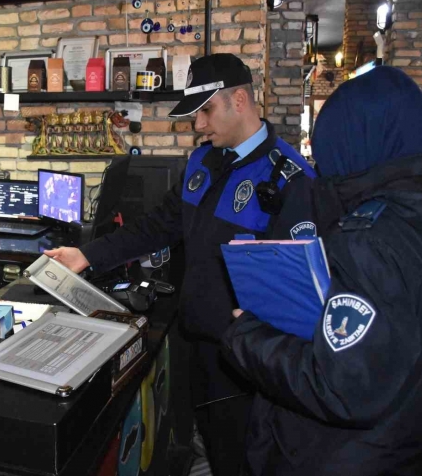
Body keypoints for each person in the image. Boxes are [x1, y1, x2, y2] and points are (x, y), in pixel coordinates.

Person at [45, 53, 317, 475]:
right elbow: (156, 227)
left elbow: (302, 293)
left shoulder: (289, 179)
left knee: (244, 458)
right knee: (204, 440)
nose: (198, 125)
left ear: (240, 100)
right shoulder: (202, 163)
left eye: (206, 111)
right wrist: (87, 254)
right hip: (195, 342)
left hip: (248, 361)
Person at [218, 66, 422, 474]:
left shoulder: (369, 240)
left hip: (347, 456)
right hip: (419, 443)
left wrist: (246, 334)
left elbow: (339, 384)